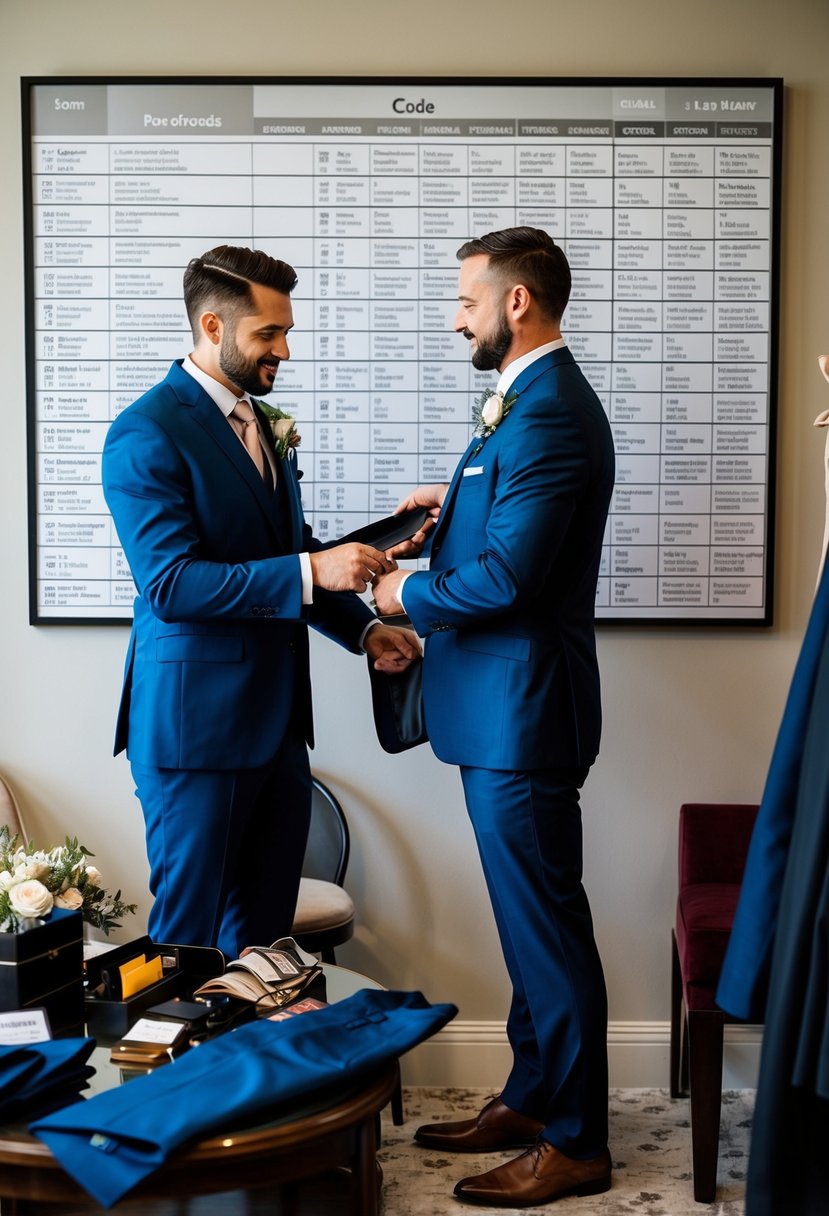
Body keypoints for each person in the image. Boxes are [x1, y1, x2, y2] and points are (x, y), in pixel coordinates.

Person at [373, 227, 615, 1206]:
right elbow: (509, 529)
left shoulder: (551, 409)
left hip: (526, 716)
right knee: (528, 930)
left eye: (466, 297)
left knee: (546, 934)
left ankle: (576, 1139)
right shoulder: (520, 402)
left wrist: (401, 596)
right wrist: (453, 505)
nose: (455, 314)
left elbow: (514, 578)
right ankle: (528, 1092)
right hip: (497, 714)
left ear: (516, 302)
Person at [102, 244, 419, 960]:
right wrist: (312, 569)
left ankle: (257, 1070)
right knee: (186, 946)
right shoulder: (145, 431)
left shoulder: (261, 425)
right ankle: (184, 1074)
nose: (284, 349)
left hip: (277, 732)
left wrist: (364, 630)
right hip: (195, 736)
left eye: (286, 331)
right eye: (267, 334)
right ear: (213, 328)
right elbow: (174, 584)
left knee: (266, 947)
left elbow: (287, 548)